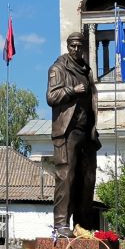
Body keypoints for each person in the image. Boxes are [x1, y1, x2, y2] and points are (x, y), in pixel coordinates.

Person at [46, 31, 100, 234]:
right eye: (73, 46)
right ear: (68, 47)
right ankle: (61, 224)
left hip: (87, 132)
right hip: (67, 131)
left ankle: (82, 225)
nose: (76, 49)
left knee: (87, 179)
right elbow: (51, 96)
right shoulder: (58, 68)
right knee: (66, 177)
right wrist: (72, 90)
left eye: (79, 46)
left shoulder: (86, 70)